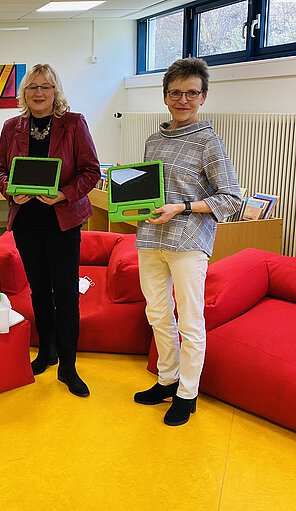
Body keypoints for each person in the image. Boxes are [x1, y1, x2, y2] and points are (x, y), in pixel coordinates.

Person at [133, 57, 242, 426]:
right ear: (165, 96)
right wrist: (136, 208)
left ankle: (187, 393)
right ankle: (167, 379)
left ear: (203, 97)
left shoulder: (209, 141)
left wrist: (181, 207)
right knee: (158, 315)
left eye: (191, 93)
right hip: (150, 238)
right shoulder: (153, 139)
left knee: (190, 321)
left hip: (189, 242)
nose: (183, 100)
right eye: (176, 93)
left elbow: (231, 197)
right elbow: (148, 191)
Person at [0, 64, 101, 397]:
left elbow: (91, 171)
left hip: (63, 222)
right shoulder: (12, 127)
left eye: (46, 87)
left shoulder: (73, 124)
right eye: (32, 87)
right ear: (24, 93)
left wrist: (64, 194)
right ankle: (47, 352)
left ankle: (68, 366)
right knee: (39, 292)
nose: (39, 93)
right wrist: (11, 189)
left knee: (66, 295)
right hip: (26, 223)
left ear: (56, 92)